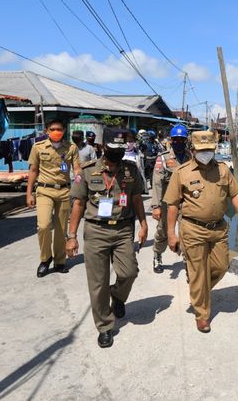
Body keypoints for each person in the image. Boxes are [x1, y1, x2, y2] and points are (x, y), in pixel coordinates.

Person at [163, 130, 238, 333]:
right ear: (192, 149)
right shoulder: (182, 172)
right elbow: (173, 205)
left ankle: (198, 289)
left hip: (218, 228)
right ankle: (202, 314)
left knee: (220, 267)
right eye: (202, 150)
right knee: (198, 272)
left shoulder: (222, 169)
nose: (206, 153)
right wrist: (171, 233)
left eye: (209, 150)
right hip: (192, 229)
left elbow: (236, 194)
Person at [66, 127, 148, 348]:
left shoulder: (130, 169)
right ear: (103, 147)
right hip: (96, 231)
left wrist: (143, 223)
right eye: (114, 148)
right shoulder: (87, 170)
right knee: (98, 282)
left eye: (122, 149)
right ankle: (104, 325)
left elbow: (137, 197)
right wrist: (71, 236)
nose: (118, 153)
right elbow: (78, 204)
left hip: (123, 230)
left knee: (129, 272)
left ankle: (118, 295)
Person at [25, 119, 80, 277]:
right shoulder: (38, 147)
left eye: (59, 129)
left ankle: (59, 260)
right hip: (44, 191)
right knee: (43, 226)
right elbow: (33, 170)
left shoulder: (71, 148)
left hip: (63, 191)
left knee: (61, 229)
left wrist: (78, 177)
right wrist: (29, 193)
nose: (56, 131)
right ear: (47, 131)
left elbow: (77, 168)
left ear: (64, 131)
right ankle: (45, 259)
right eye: (53, 129)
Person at [150, 124, 192, 273]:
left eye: (182, 140)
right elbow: (157, 182)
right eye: (176, 140)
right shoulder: (163, 158)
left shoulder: (191, 157)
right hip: (167, 203)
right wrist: (156, 206)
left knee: (186, 232)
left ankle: (188, 261)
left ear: (186, 140)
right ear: (171, 140)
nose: (179, 142)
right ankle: (157, 255)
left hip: (186, 202)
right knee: (163, 231)